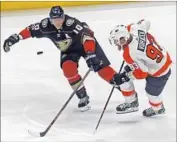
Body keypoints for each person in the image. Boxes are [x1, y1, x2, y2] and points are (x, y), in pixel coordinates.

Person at [3, 6, 128, 112]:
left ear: (64, 17)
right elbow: (30, 30)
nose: (58, 22)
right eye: (54, 19)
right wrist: (16, 37)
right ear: (50, 19)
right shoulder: (45, 26)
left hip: (86, 46)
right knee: (68, 69)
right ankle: (82, 96)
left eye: (60, 18)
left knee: (102, 70)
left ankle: (128, 93)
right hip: (69, 50)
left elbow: (88, 35)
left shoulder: (71, 23)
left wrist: (90, 53)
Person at [109, 19, 172, 117]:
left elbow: (142, 73)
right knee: (124, 73)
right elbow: (146, 22)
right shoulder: (134, 27)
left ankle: (158, 109)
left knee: (152, 94)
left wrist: (125, 76)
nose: (116, 44)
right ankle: (131, 102)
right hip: (161, 58)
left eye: (117, 41)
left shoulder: (129, 54)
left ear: (123, 38)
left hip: (159, 71)